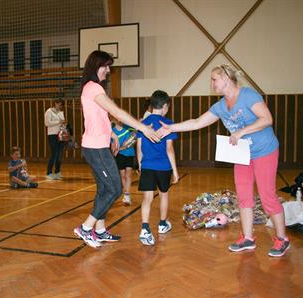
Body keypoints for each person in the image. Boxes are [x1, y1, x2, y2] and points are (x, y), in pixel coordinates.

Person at [159, 64, 290, 257]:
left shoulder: (249, 96)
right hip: (242, 154)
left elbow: (267, 119)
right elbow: (196, 122)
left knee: (267, 195)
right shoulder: (220, 106)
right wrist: (172, 128)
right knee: (243, 196)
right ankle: (247, 238)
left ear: (227, 78)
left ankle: (282, 239)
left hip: (264, 150)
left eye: (214, 79)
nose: (212, 83)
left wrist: (241, 131)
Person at [73, 50, 160, 248]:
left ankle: (101, 230)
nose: (108, 70)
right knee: (114, 188)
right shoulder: (92, 87)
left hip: (99, 145)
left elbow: (103, 117)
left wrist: (112, 135)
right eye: (106, 66)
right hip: (95, 148)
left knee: (104, 188)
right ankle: (86, 228)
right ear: (97, 66)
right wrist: (143, 127)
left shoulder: (95, 88)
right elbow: (116, 112)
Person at [137, 90, 179, 246]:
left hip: (147, 165)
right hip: (163, 166)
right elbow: (169, 149)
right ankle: (162, 225)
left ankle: (145, 228)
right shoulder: (167, 123)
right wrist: (175, 170)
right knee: (164, 195)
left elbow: (139, 147)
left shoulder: (143, 124)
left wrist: (140, 164)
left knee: (147, 198)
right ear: (165, 106)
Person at [111, 118, 136, 205]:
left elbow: (134, 137)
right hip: (120, 155)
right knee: (123, 175)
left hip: (130, 153)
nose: (119, 120)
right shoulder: (112, 131)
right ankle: (126, 195)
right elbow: (113, 144)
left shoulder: (128, 128)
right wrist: (114, 152)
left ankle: (127, 194)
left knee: (128, 174)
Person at [44, 99, 66, 180]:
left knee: (59, 154)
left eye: (61, 105)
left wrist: (64, 125)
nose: (60, 106)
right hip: (52, 135)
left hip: (60, 135)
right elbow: (47, 123)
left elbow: (62, 123)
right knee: (54, 154)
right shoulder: (49, 111)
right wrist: (59, 122)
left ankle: (57, 172)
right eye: (59, 104)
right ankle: (49, 173)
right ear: (55, 103)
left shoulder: (61, 112)